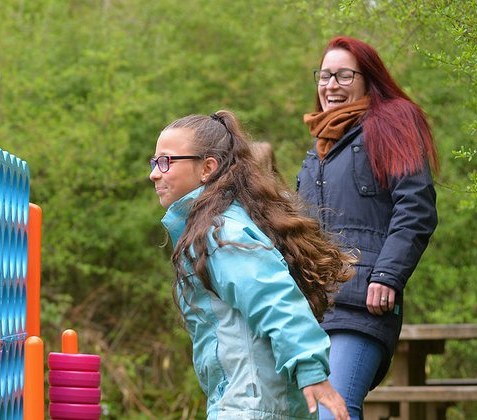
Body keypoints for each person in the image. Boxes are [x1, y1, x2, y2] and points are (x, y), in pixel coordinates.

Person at [151, 110, 354, 419]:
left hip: (254, 406)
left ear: (207, 168)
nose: (155, 173)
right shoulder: (211, 229)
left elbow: (275, 298)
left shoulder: (222, 234)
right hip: (244, 401)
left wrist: (311, 368)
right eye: (155, 162)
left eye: (166, 161)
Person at [298, 36, 438, 419]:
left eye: (344, 75)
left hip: (364, 304)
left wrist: (388, 275)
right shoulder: (319, 150)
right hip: (315, 310)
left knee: (333, 413)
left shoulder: (392, 122)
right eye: (324, 76)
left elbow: (416, 208)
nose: (330, 85)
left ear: (367, 79)